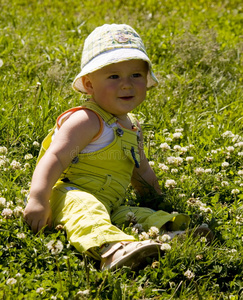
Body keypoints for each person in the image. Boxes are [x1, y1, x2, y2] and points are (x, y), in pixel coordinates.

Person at [24, 24, 196, 271]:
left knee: (136, 214)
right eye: (114, 76)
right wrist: (39, 198)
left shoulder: (132, 126)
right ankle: (112, 250)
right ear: (90, 84)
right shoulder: (86, 119)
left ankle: (170, 233)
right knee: (88, 211)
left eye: (135, 75)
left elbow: (140, 170)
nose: (126, 85)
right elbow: (55, 158)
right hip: (70, 195)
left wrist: (156, 198)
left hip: (110, 202)